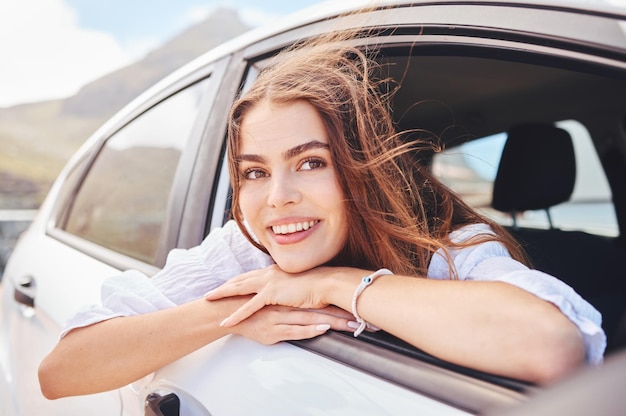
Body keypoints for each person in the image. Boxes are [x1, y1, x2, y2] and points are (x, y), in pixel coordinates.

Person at [38, 30, 605, 400]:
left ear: (362, 170)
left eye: (310, 163)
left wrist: (331, 284)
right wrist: (235, 314)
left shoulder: (449, 247)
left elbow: (552, 346)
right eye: (254, 173)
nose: (276, 198)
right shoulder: (244, 247)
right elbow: (63, 370)